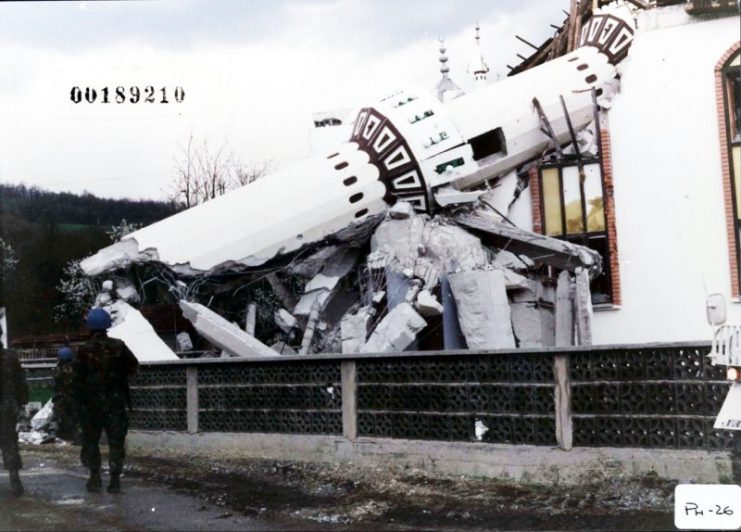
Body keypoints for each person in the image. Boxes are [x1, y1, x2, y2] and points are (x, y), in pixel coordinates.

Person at [73, 308, 138, 494]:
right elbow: (134, 367)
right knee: (116, 442)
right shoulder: (119, 346)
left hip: (91, 405)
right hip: (115, 404)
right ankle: (115, 480)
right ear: (107, 326)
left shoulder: (83, 350)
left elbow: (77, 379)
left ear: (90, 328)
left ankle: (95, 477)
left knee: (91, 441)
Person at [0, 324, 28, 497]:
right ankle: (15, 480)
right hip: (8, 407)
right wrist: (22, 404)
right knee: (10, 442)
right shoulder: (11, 356)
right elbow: (20, 382)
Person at [52, 345, 79, 443]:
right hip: (73, 397)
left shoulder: (58, 369)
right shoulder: (75, 368)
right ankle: (75, 437)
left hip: (61, 397)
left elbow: (56, 384)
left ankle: (61, 435)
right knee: (74, 417)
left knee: (60, 416)